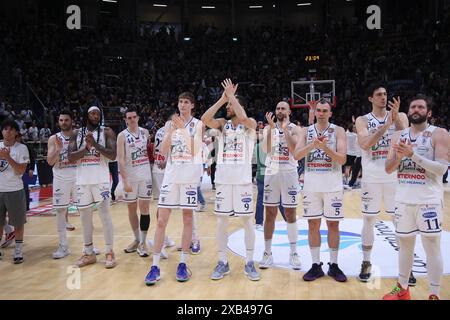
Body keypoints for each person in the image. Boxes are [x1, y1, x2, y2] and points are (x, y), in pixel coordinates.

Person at [383, 95, 449, 300]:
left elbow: (441, 169)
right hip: (403, 200)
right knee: (405, 245)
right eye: (413, 106)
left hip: (428, 200)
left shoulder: (439, 134)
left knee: (432, 246)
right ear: (408, 111)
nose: (416, 109)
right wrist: (400, 156)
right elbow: (388, 168)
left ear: (428, 112)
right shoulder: (398, 136)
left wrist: (413, 155)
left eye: (421, 107)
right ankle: (402, 288)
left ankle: (434, 293)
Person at [201, 79, 260, 281]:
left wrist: (232, 97)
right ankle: (222, 262)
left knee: (247, 221)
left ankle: (250, 262)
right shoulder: (222, 125)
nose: (227, 108)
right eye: (227, 106)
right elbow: (205, 117)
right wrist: (222, 98)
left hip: (243, 181)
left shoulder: (249, 124)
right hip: (224, 181)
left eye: (229, 106)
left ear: (238, 105)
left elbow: (243, 118)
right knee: (221, 222)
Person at [145, 92, 204, 285]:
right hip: (171, 177)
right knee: (161, 220)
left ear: (192, 105)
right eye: (180, 101)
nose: (183, 105)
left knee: (187, 219)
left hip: (188, 179)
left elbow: (195, 150)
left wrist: (183, 130)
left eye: (187, 102)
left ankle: (183, 263)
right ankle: (154, 266)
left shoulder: (198, 124)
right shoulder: (170, 124)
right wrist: (172, 129)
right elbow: (162, 151)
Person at [355, 83, 411, 283]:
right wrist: (386, 125)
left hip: (395, 177)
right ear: (370, 98)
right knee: (369, 220)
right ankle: (366, 262)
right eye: (378, 94)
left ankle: (406, 267)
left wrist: (396, 121)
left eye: (385, 94)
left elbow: (408, 138)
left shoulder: (401, 116)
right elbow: (365, 144)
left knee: (399, 221)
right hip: (371, 177)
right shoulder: (362, 120)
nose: (383, 97)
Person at [294, 100, 348, 282]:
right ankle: (316, 265)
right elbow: (296, 155)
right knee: (313, 225)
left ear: (330, 113)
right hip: (311, 186)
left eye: (325, 110)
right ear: (315, 112)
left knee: (333, 225)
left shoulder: (338, 130)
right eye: (319, 110)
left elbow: (342, 159)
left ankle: (333, 265)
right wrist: (312, 146)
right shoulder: (306, 131)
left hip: (333, 186)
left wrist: (325, 148)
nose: (322, 113)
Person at [68, 106, 117, 269]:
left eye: (97, 113)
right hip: (82, 181)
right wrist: (87, 148)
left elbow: (113, 155)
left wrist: (95, 144)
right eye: (92, 113)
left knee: (105, 216)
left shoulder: (107, 132)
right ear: (87, 115)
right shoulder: (76, 133)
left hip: (101, 180)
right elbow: (70, 157)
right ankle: (89, 253)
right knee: (85, 218)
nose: (95, 116)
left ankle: (110, 251)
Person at [259, 101, 301, 270]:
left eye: (283, 108)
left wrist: (282, 130)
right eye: (278, 108)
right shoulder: (268, 128)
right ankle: (267, 253)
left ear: (289, 111)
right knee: (270, 213)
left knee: (290, 213)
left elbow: (294, 150)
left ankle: (293, 252)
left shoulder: (296, 129)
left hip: (290, 172)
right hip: (272, 171)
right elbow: (266, 149)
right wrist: (272, 130)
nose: (280, 110)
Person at [117, 107, 152, 257]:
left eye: (134, 117)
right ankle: (137, 239)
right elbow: (121, 159)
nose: (132, 120)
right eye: (129, 118)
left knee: (145, 208)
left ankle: (143, 242)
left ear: (138, 118)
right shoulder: (122, 136)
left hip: (145, 176)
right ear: (125, 120)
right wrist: (124, 180)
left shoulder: (145, 132)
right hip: (130, 177)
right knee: (131, 209)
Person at [47, 110, 78, 259]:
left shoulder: (78, 135)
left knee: (85, 210)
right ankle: (63, 246)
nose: (63, 123)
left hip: (78, 176)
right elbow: (50, 161)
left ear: (71, 121)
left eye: (66, 120)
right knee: (60, 212)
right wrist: (58, 150)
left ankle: (89, 246)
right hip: (60, 177)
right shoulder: (54, 138)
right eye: (61, 120)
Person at [0, 119, 30, 263]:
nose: (8, 131)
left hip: (15, 190)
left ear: (16, 132)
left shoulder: (22, 148)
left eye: (11, 129)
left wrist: (7, 157)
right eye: (5, 129)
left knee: (18, 223)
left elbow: (21, 170)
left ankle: (18, 250)